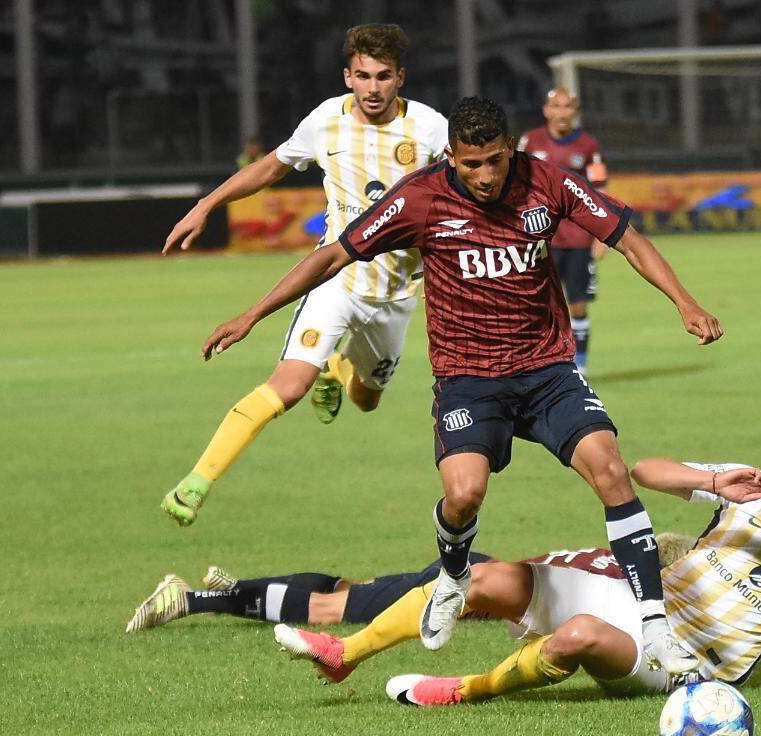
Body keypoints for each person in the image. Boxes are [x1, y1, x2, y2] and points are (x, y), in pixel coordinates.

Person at [199, 97, 723, 675]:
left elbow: (627, 237)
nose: (485, 176)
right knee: (464, 494)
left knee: (611, 470)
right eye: (471, 164)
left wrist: (685, 302)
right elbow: (333, 257)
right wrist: (252, 314)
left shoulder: (546, 181)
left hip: (547, 370)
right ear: (451, 156)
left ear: (511, 150)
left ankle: (655, 626)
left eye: (495, 161)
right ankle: (452, 577)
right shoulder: (419, 198)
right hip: (469, 381)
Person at [272, 440, 761, 702]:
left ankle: (463, 689)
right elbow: (643, 470)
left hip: (684, 660)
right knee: (484, 578)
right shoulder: (755, 494)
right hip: (640, 599)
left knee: (580, 635)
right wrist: (712, 482)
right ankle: (347, 653)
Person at [159, 24, 449, 526]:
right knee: (288, 386)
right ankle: (195, 483)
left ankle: (338, 369)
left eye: (383, 76)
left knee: (368, 399)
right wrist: (208, 204)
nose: (373, 87)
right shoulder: (325, 121)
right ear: (348, 76)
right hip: (336, 279)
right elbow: (272, 167)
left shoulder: (429, 128)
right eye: (363, 76)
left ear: (400, 77)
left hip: (399, 293)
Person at [124, 535, 694, 632]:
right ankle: (195, 599)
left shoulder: (607, 560)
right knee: (329, 609)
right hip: (465, 586)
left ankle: (239, 585)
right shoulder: (629, 595)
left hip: (475, 566)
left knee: (349, 586)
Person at [517, 88, 609, 374]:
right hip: (539, 237)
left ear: (575, 110)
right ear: (546, 110)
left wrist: (602, 235)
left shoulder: (588, 145)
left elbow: (601, 188)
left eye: (567, 106)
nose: (562, 112)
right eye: (556, 106)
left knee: (578, 304)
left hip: (579, 238)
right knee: (536, 302)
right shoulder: (530, 141)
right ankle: (539, 362)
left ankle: (579, 367)